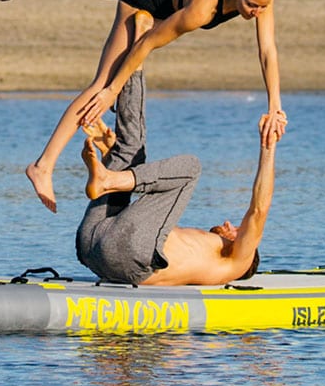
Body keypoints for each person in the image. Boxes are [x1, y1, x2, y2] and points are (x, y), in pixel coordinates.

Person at [0, 0, 287, 213]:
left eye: (262, 7)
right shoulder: (202, 8)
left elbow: (267, 51)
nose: (257, 13)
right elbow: (147, 43)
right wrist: (113, 90)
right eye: (251, 6)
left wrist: (275, 105)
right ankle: (42, 165)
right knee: (100, 84)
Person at [76, 69, 275, 286]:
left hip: (122, 254)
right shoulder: (200, 248)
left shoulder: (236, 264)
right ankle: (134, 68)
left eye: (237, 230)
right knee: (130, 149)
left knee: (191, 168)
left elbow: (258, 211)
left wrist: (268, 146)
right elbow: (127, 225)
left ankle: (110, 179)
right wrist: (111, 155)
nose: (229, 223)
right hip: (93, 246)